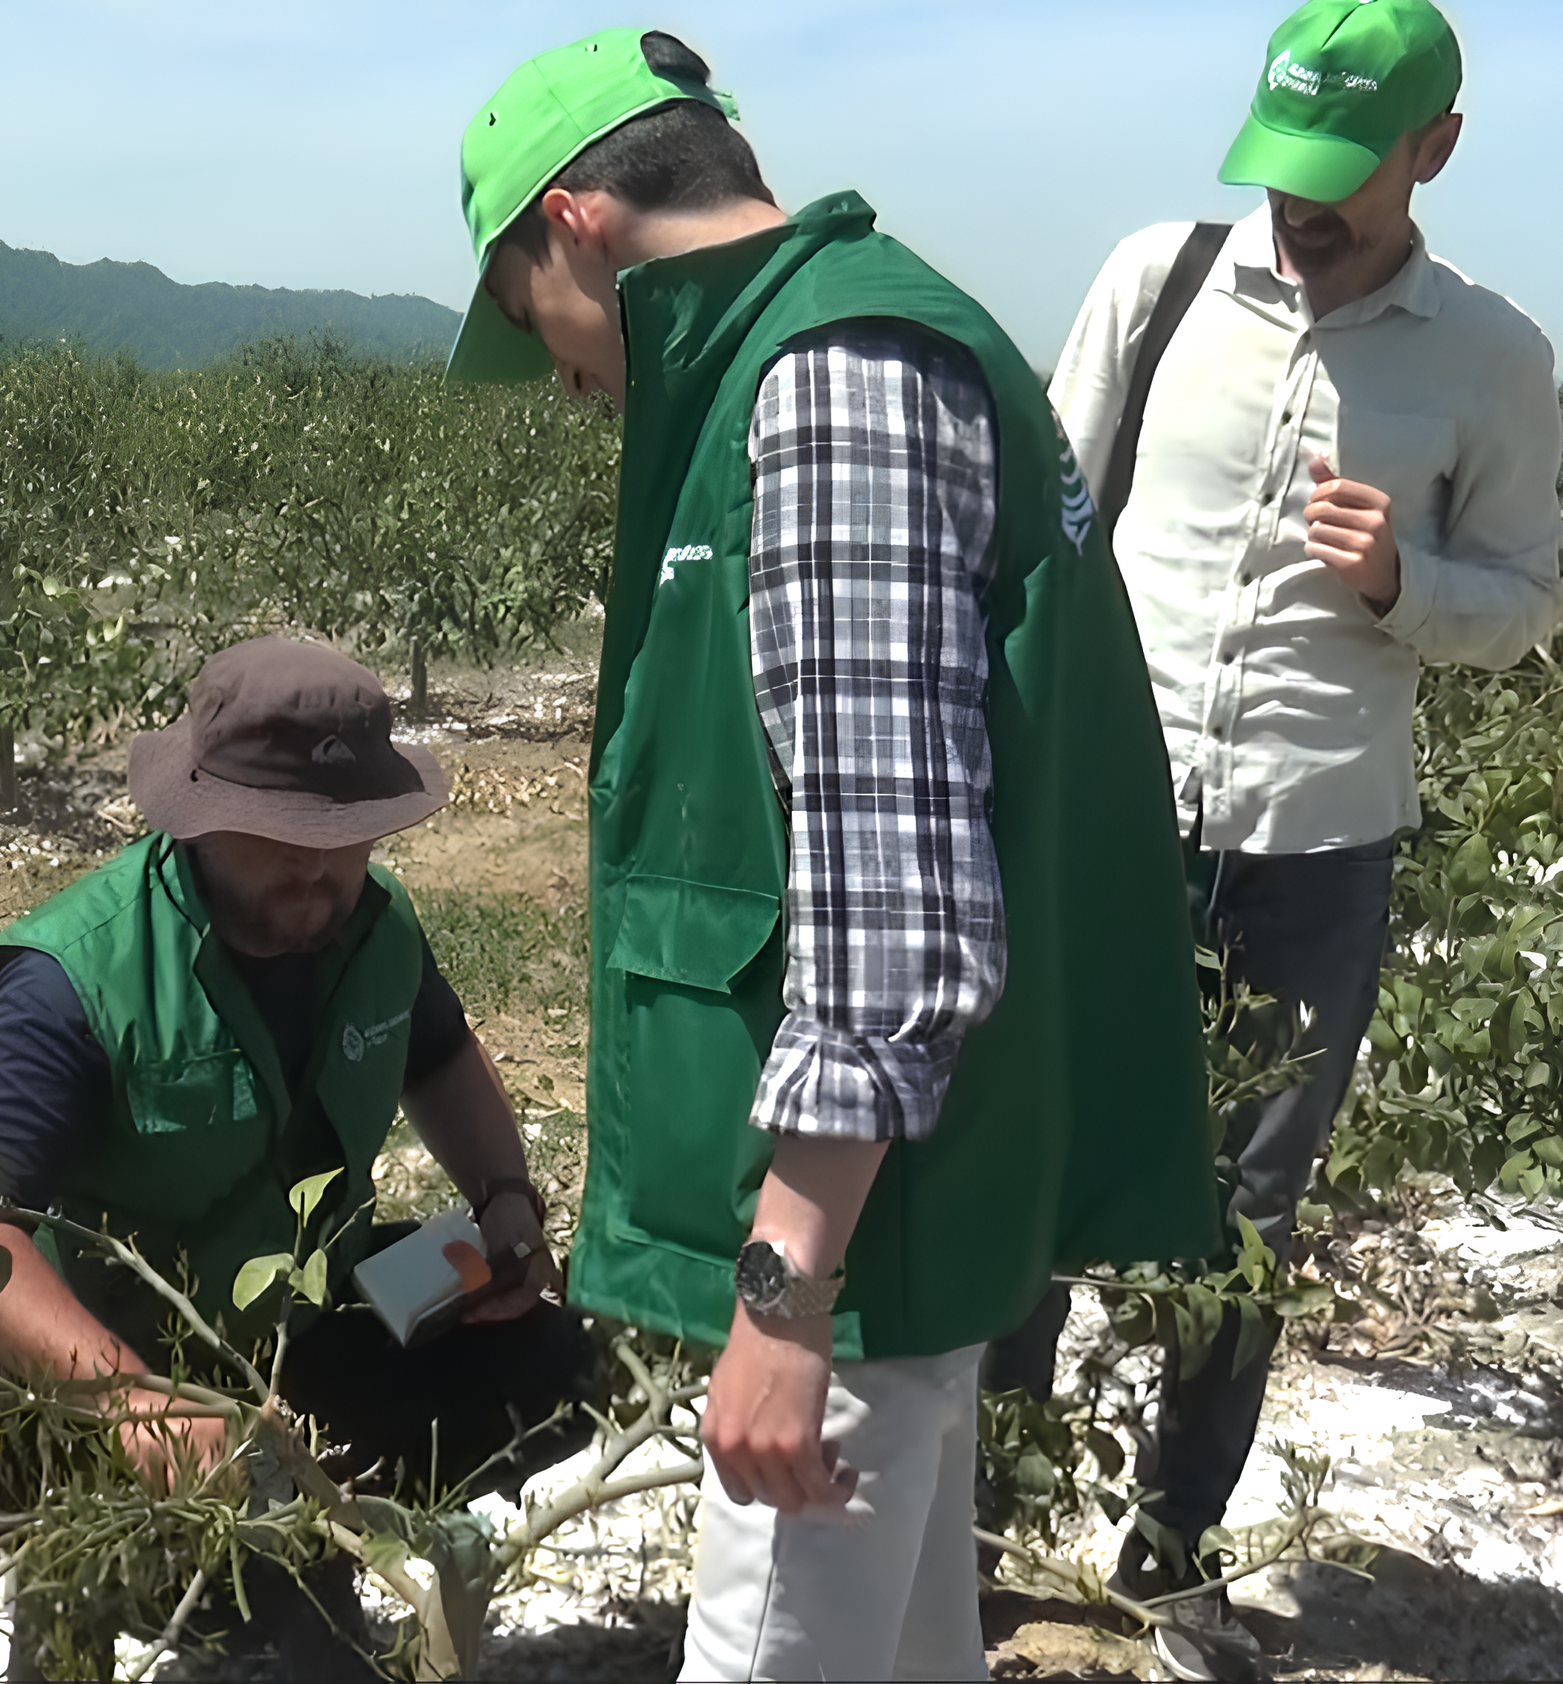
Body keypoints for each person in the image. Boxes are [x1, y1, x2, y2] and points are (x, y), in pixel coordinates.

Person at [447, 29, 1220, 1680]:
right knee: (911, 1646)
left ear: (576, 224)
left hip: (858, 1245)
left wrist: (783, 1294)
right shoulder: (852, 336)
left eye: (541, 329)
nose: (577, 382)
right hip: (901, 1223)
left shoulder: (825, 380)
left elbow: (892, 886)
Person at [1002, 3, 1563, 1674]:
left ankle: (1173, 1558)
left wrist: (1404, 580)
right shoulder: (1157, 283)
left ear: (1433, 150)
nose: (1301, 208)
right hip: (1111, 820)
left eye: (1344, 177)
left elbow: (1525, 603)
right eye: (1283, 168)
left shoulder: (1492, 358)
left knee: (1242, 1218)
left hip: (1317, 845)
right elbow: (1046, 500)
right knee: (1034, 1161)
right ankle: (984, 1520)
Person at [0, 636, 597, 1678]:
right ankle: (97, 1591)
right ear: (200, 812)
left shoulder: (373, 927)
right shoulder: (78, 976)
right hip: (103, 1360)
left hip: (299, 1314)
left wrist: (505, 1204)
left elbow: (443, 1053)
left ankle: (324, 1526)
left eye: (346, 835)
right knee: (234, 1584)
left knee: (552, 1360)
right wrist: (132, 1396)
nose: (317, 865)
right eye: (282, 835)